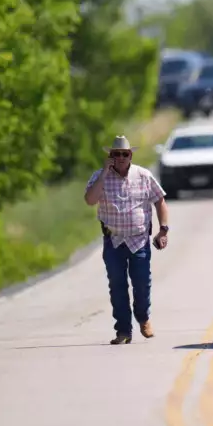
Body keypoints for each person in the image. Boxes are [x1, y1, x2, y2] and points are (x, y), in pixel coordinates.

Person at [84, 135, 170, 345]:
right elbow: (90, 200)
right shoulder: (99, 177)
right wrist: (104, 173)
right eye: (116, 154)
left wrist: (163, 230)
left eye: (124, 154)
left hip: (138, 240)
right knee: (117, 285)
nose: (120, 157)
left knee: (141, 283)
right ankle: (123, 330)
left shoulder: (143, 175)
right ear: (110, 156)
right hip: (113, 241)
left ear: (130, 155)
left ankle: (143, 318)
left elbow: (160, 200)